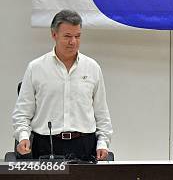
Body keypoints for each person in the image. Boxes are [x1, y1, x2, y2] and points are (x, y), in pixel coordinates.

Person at [12, 9, 113, 160]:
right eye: (67, 36)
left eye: (77, 36)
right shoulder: (36, 68)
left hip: (84, 145)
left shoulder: (92, 68)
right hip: (46, 144)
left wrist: (103, 143)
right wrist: (23, 136)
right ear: (54, 34)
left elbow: (102, 113)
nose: (73, 42)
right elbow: (22, 112)